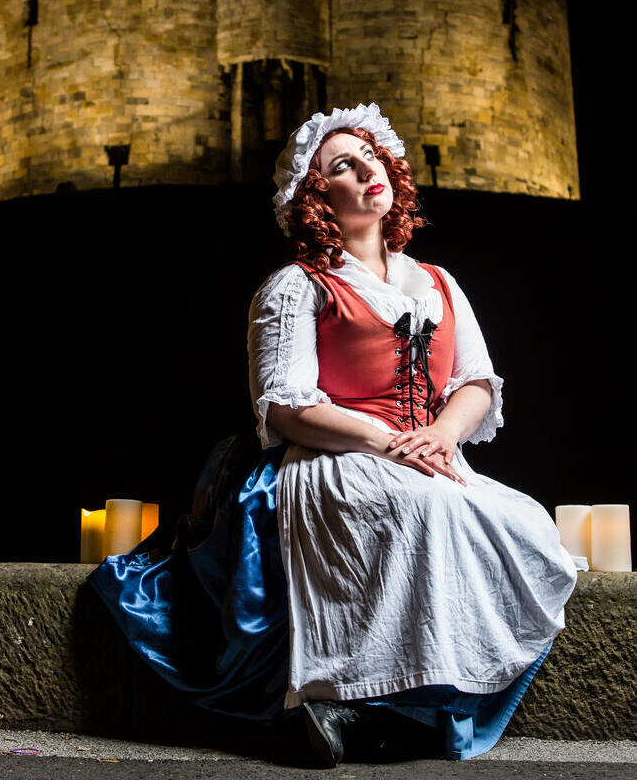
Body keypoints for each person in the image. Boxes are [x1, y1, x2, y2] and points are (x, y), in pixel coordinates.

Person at [87, 102, 578, 766]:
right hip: (330, 454)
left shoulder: (437, 283)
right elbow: (285, 405)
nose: (365, 170)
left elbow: (476, 383)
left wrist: (435, 437)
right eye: (342, 165)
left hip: (427, 453)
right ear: (317, 195)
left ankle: (421, 704)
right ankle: (347, 697)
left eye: (371, 157)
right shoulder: (297, 287)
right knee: (417, 507)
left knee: (526, 533)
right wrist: (387, 443)